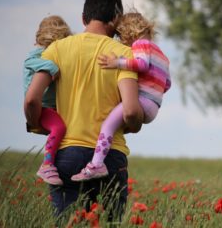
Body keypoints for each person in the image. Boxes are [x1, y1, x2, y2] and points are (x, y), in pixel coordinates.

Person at [24, 0, 143, 222]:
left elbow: (31, 99)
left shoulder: (56, 49)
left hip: (66, 154)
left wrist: (36, 123)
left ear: (83, 18)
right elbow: (130, 111)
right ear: (115, 21)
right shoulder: (123, 54)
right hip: (110, 157)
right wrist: (136, 123)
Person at [71, 11, 171, 181]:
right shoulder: (162, 54)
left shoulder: (140, 44)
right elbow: (167, 83)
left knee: (108, 125)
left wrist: (116, 62)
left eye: (120, 36)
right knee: (116, 124)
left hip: (142, 101)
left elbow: (141, 64)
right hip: (154, 105)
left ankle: (96, 164)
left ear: (128, 32)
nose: (121, 42)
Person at [23, 15, 71, 186]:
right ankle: (47, 164)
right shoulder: (38, 53)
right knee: (59, 127)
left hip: (52, 106)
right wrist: (52, 67)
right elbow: (30, 62)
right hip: (42, 106)